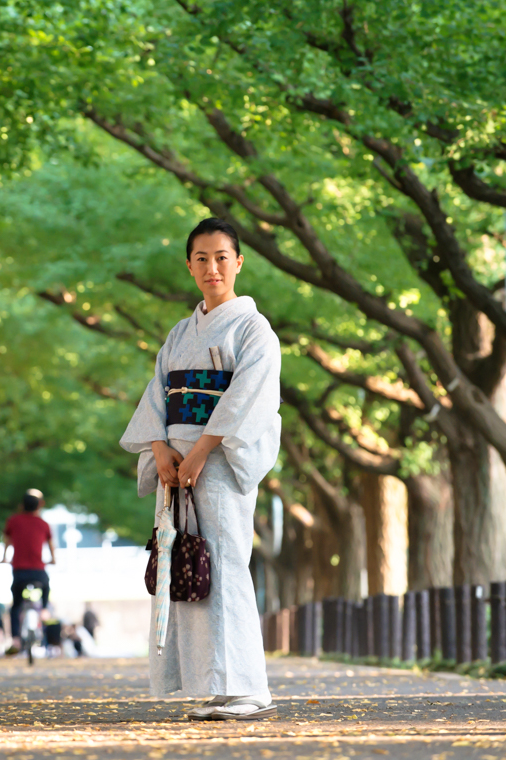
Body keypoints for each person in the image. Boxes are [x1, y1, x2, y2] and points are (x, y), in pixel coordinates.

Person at [120, 218, 281, 722]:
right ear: (189, 267)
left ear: (238, 262)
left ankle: (248, 687)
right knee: (188, 569)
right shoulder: (179, 333)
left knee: (226, 565)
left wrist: (200, 450)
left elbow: (246, 399)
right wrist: (160, 447)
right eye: (202, 259)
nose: (213, 267)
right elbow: (158, 394)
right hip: (176, 465)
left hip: (217, 464)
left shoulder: (254, 329)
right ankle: (216, 684)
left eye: (222, 257)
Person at [1, 488, 57, 656]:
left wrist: (4, 557)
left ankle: (16, 640)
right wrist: (53, 559)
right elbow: (51, 544)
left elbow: (7, 540)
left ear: (21, 505)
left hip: (19, 570)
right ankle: (45, 609)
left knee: (16, 606)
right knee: (46, 587)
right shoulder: (43, 524)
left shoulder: (13, 521)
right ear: (39, 506)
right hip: (38, 570)